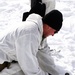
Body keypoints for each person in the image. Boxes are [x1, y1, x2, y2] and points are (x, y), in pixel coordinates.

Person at [0, 2, 63, 75]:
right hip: (1, 61)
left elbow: (45, 57)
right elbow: (29, 67)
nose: (53, 35)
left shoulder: (39, 32)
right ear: (49, 27)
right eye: (55, 32)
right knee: (21, 71)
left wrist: (56, 73)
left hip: (8, 59)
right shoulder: (30, 34)